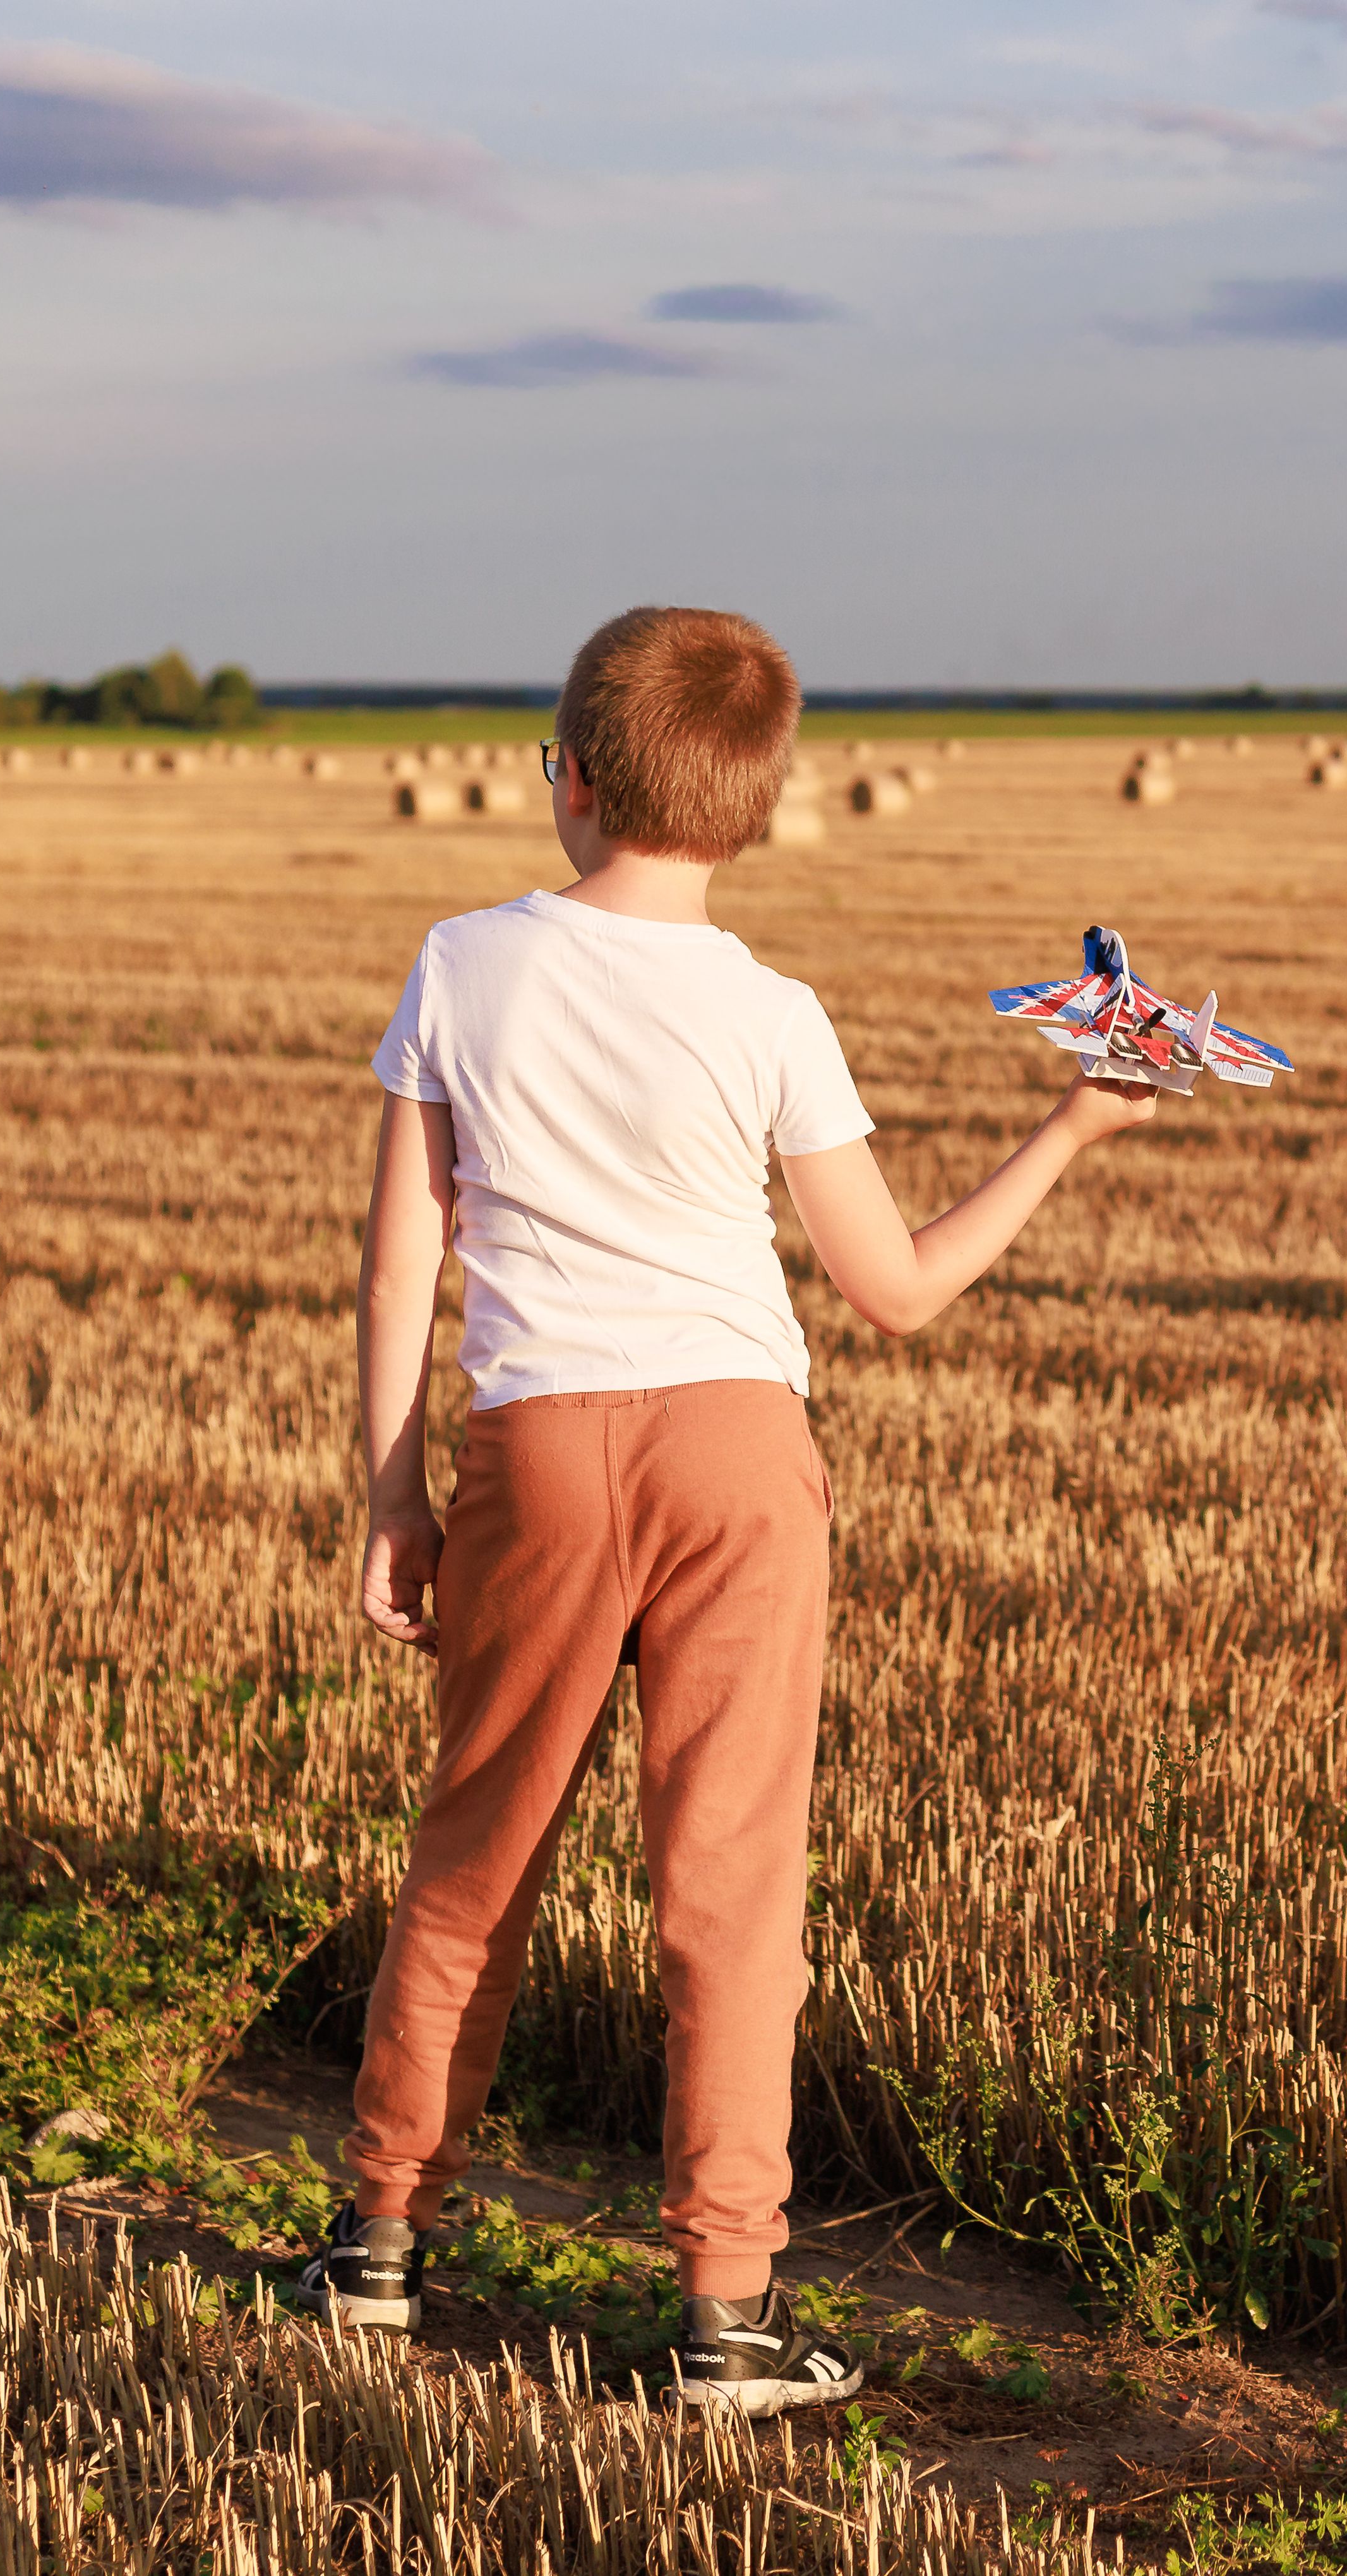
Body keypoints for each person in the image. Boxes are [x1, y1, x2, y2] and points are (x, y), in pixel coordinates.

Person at [307, 605, 1158, 2411]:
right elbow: (898, 1292)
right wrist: (1073, 1134)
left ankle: (376, 2245)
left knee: (476, 1860)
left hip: (534, 1449)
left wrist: (386, 1485)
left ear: (571, 780)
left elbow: (401, 1266)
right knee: (730, 1891)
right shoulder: (774, 1014)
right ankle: (725, 2315)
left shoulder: (461, 963)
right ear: (754, 809)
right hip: (737, 1454)